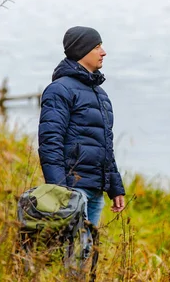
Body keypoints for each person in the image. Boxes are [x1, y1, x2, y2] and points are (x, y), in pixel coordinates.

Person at [38, 26, 126, 231]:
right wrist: (58, 190)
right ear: (81, 51)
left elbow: (105, 145)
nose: (103, 52)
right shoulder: (59, 90)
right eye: (97, 47)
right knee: (71, 252)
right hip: (73, 190)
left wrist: (115, 187)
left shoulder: (100, 94)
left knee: (86, 255)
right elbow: (50, 141)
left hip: (95, 190)